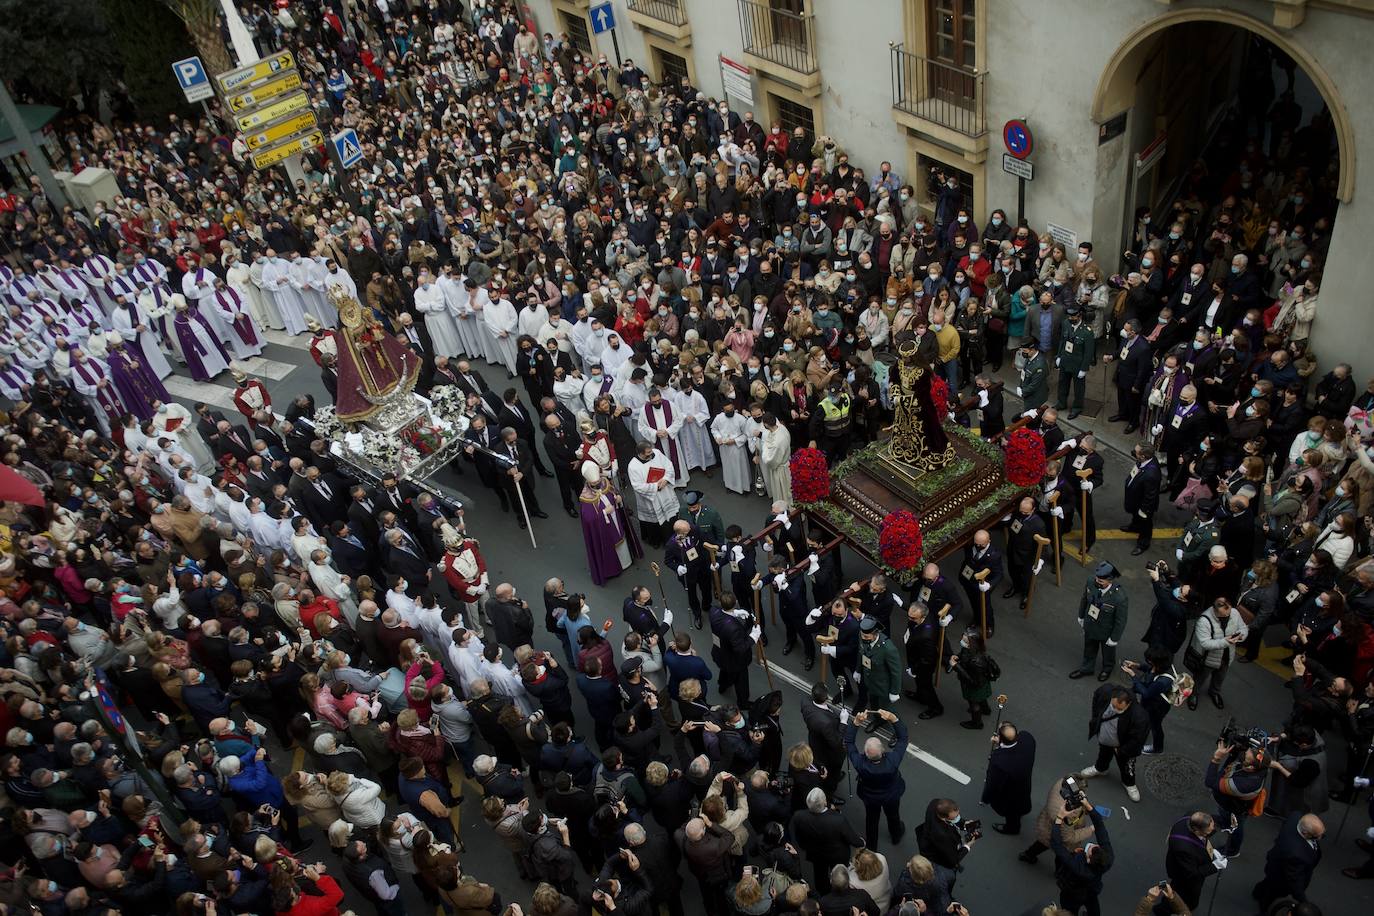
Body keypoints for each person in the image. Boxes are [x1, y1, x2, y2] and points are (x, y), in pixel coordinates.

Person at [845, 707, 907, 849]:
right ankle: (896, 835)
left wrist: (856, 722)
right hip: (891, 794)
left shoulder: (860, 763)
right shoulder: (892, 760)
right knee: (893, 815)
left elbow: (848, 743)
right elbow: (903, 738)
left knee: (871, 820)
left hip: (870, 797)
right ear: (883, 750)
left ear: (865, 754)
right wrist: (894, 719)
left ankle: (872, 846)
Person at [1079, 685, 1149, 803]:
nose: (1114, 709)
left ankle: (1129, 783)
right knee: (1103, 753)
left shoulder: (1139, 717)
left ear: (1128, 704)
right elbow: (1097, 697)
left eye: (1119, 708)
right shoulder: (1106, 692)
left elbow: (1137, 740)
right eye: (1113, 705)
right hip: (1106, 737)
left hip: (1123, 745)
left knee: (1127, 765)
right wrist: (1096, 718)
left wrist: (1121, 750)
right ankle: (1101, 768)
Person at [577, 461, 641, 586]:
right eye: (594, 483)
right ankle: (614, 568)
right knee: (610, 543)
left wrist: (618, 498)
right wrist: (604, 513)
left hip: (616, 517)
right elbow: (589, 519)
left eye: (597, 481)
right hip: (604, 527)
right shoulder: (585, 497)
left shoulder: (605, 482)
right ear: (588, 481)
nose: (597, 484)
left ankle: (626, 561)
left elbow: (613, 492)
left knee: (621, 536)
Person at [1050, 795, 1113, 916]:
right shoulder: (1108, 859)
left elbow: (1056, 845)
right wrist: (1088, 806)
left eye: (1089, 850)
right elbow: (1100, 827)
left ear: (1088, 860)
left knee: (1069, 910)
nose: (1091, 846)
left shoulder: (1077, 866)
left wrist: (1059, 817)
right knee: (1094, 910)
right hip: (1092, 891)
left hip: (1071, 894)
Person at [1184, 597, 1247, 710]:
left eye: (1229, 613)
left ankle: (1214, 692)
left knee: (1220, 677)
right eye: (1224, 615)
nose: (1228, 616)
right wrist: (1225, 642)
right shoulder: (1204, 621)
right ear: (1215, 611)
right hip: (1208, 658)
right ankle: (1193, 694)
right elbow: (1205, 643)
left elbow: (1243, 627)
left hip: (1227, 657)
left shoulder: (1234, 612)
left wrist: (1241, 636)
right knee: (1200, 678)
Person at [1251, 814, 1324, 911]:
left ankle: (1258, 892)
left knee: (1268, 883)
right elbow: (1294, 880)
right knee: (1273, 893)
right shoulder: (1296, 854)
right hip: (1281, 877)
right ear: (1305, 833)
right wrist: (1304, 901)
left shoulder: (1294, 818)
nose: (1320, 837)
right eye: (1317, 836)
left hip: (1276, 862)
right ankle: (1265, 909)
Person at [1071, 562, 1129, 681]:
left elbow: (1121, 620)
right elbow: (1084, 599)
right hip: (1090, 624)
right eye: (1097, 578)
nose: (1097, 582)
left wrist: (1114, 638)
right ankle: (1086, 668)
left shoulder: (1119, 597)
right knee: (1089, 648)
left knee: (1108, 653)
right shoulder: (1091, 581)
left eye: (1101, 581)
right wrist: (1081, 616)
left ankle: (1107, 669)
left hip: (1106, 630)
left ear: (1110, 580)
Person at [982, 722, 1036, 835]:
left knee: (1012, 813)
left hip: (1011, 794)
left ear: (1001, 738)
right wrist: (1001, 743)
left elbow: (993, 783)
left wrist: (986, 797)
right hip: (1024, 784)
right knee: (1021, 804)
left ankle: (1012, 829)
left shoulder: (999, 761)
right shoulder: (1027, 738)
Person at [1163, 812, 1224, 910]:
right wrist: (1214, 866)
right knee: (1180, 892)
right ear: (1196, 830)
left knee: (1185, 893)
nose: (1212, 830)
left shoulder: (1192, 817)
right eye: (1207, 832)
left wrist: (1211, 851)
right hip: (1182, 874)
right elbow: (1192, 873)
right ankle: (1164, 909)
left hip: (1188, 863)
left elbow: (1203, 840)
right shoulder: (1183, 848)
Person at [629, 440, 680, 548]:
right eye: (648, 453)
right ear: (640, 453)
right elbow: (637, 486)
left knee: (671, 516)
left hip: (665, 491)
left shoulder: (656, 452)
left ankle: (675, 534)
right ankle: (657, 540)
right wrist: (655, 486)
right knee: (655, 520)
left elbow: (669, 465)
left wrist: (666, 479)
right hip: (651, 497)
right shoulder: (633, 466)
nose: (651, 454)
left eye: (651, 451)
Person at [665, 519, 714, 629]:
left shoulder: (694, 529)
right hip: (687, 575)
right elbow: (667, 561)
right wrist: (677, 567)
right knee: (692, 595)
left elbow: (705, 540)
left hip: (701, 567)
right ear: (680, 533)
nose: (690, 529)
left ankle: (707, 606)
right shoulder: (671, 545)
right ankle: (697, 614)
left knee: (706, 588)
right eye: (687, 530)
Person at [959, 529, 1003, 638]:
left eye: (981, 545)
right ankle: (977, 619)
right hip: (967, 579)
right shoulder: (970, 546)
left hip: (982, 585)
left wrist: (989, 585)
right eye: (976, 544)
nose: (978, 546)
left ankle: (989, 625)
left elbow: (999, 574)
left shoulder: (994, 555)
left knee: (985, 606)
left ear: (988, 541)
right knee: (973, 602)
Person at [1054, 305, 1095, 419]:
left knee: (1078, 388)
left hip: (1078, 364)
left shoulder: (1087, 332)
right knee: (1062, 383)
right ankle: (1061, 403)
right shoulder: (1066, 324)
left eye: (1073, 317)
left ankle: (1077, 407)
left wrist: (1084, 368)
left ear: (1080, 316)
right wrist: (1058, 356)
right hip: (1065, 360)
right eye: (1069, 316)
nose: (1071, 319)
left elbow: (1088, 352)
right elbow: (1062, 340)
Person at [1122, 442, 1162, 555]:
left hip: (1143, 505)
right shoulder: (1143, 461)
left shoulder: (1151, 474)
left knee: (1145, 524)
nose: (1134, 453)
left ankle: (1143, 543)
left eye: (1136, 452)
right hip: (1135, 499)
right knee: (1135, 516)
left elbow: (1150, 496)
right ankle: (1134, 526)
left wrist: (1144, 510)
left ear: (1143, 456)